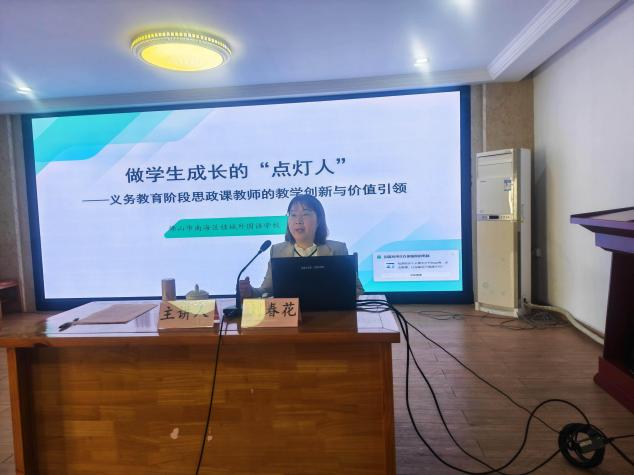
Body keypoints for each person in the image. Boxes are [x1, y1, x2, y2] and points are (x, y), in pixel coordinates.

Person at [239, 194, 364, 298]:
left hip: (330, 317)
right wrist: (250, 292)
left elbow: (358, 290)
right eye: (293, 215)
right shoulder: (277, 251)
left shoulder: (337, 249)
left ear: (319, 220)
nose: (298, 221)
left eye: (305, 214)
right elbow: (267, 290)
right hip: (290, 317)